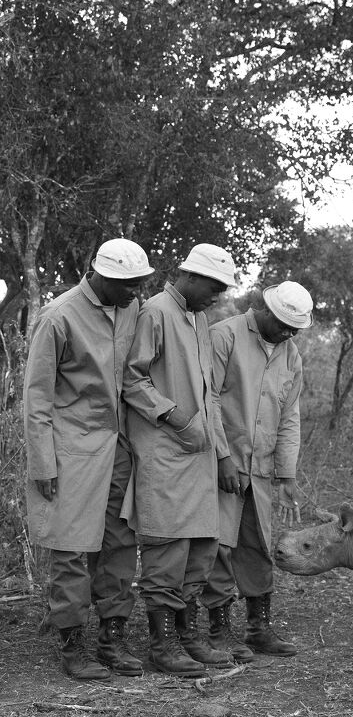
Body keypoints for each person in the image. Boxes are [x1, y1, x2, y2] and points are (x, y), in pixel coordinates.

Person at [24, 238, 155, 681]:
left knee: (120, 541)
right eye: (126, 285)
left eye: (139, 285)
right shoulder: (58, 315)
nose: (134, 292)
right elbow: (37, 396)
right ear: (96, 273)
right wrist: (43, 463)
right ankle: (72, 643)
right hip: (70, 448)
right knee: (70, 547)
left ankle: (112, 639)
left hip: (119, 446)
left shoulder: (133, 309)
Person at [121, 243, 237, 677]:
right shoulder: (156, 311)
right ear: (188, 276)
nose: (218, 295)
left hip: (201, 455)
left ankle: (189, 637)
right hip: (166, 452)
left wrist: (222, 453)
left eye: (223, 288)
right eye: (214, 285)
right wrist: (172, 415)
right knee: (167, 549)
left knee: (202, 547)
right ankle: (162, 644)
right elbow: (131, 379)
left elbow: (210, 395)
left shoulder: (199, 317)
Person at [201, 280, 313, 663]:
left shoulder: (291, 355)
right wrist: (221, 456)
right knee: (218, 545)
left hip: (262, 467)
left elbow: (289, 416)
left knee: (259, 545)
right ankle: (219, 629)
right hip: (223, 465)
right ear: (263, 309)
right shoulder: (224, 336)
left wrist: (287, 475)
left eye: (294, 329)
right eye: (282, 324)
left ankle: (258, 628)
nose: (287, 333)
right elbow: (208, 399)